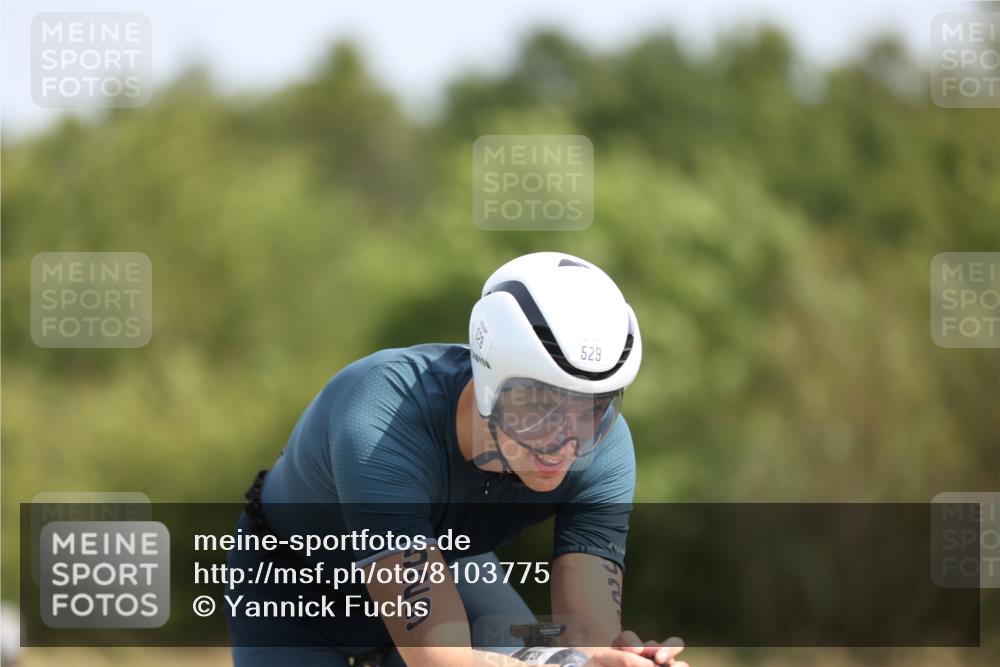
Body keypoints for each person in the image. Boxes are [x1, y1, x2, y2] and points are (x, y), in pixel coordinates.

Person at [227, 252, 687, 667]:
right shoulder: (381, 416)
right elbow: (439, 660)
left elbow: (586, 640)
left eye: (593, 407)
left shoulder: (605, 449)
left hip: (451, 568)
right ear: (491, 381)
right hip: (294, 590)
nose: (568, 442)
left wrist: (612, 662)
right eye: (543, 406)